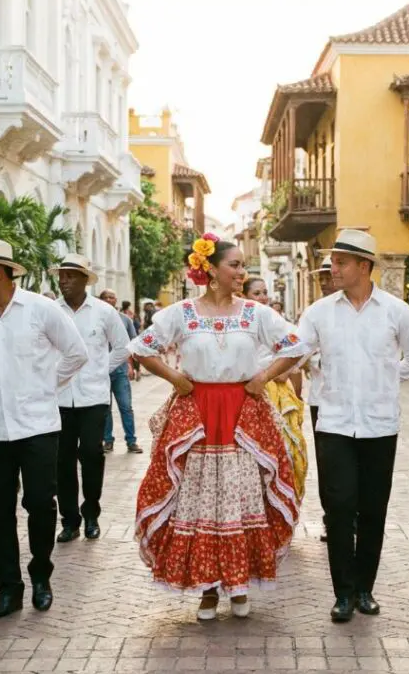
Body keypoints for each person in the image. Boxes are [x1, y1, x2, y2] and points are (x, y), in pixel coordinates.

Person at [130, 233, 306, 621]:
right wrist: (175, 379)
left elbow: (296, 345)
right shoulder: (181, 313)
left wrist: (263, 377)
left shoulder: (256, 314)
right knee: (199, 498)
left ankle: (240, 586)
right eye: (235, 265)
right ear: (210, 269)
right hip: (197, 413)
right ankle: (208, 590)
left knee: (241, 497)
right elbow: (140, 349)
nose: (242, 272)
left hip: (243, 412)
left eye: (243, 266)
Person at [267, 229, 409, 623]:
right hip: (335, 422)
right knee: (338, 509)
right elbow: (295, 351)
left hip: (380, 424)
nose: (333, 268)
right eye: (333, 261)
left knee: (373, 509)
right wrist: (258, 375)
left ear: (364, 266)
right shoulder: (319, 312)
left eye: (340, 261)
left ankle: (365, 589)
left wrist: (386, 377)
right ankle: (342, 593)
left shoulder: (396, 311)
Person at [0, 238, 89, 620]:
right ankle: (8, 589)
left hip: (39, 426)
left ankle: (41, 574)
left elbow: (77, 353)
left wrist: (45, 385)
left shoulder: (41, 310)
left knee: (41, 503)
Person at [53, 260, 130, 544]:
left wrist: (100, 369)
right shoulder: (51, 311)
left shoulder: (104, 312)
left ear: (85, 280)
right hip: (59, 396)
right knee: (62, 460)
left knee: (91, 454)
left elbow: (123, 347)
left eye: (70, 277)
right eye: (61, 277)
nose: (64, 281)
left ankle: (92, 514)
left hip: (94, 396)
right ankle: (69, 520)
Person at [243, 276, 307, 500]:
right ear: (243, 296)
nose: (263, 297)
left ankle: (281, 498)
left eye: (264, 292)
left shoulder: (275, 321)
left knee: (284, 449)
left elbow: (300, 349)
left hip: (275, 392)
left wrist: (286, 371)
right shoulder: (240, 323)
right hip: (247, 391)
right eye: (256, 293)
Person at [307, 255, 337, 543]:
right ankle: (333, 519)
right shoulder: (314, 313)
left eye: (329, 275)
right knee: (327, 463)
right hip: (321, 399)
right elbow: (303, 352)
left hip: (355, 399)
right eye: (322, 277)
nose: (326, 282)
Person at [98, 288, 139, 454]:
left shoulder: (125, 320)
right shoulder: (96, 318)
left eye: (112, 297)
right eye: (106, 297)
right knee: (105, 408)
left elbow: (132, 344)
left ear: (116, 300)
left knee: (126, 406)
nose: (109, 300)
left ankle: (131, 441)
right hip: (101, 371)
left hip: (120, 370)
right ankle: (108, 440)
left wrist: (131, 366)